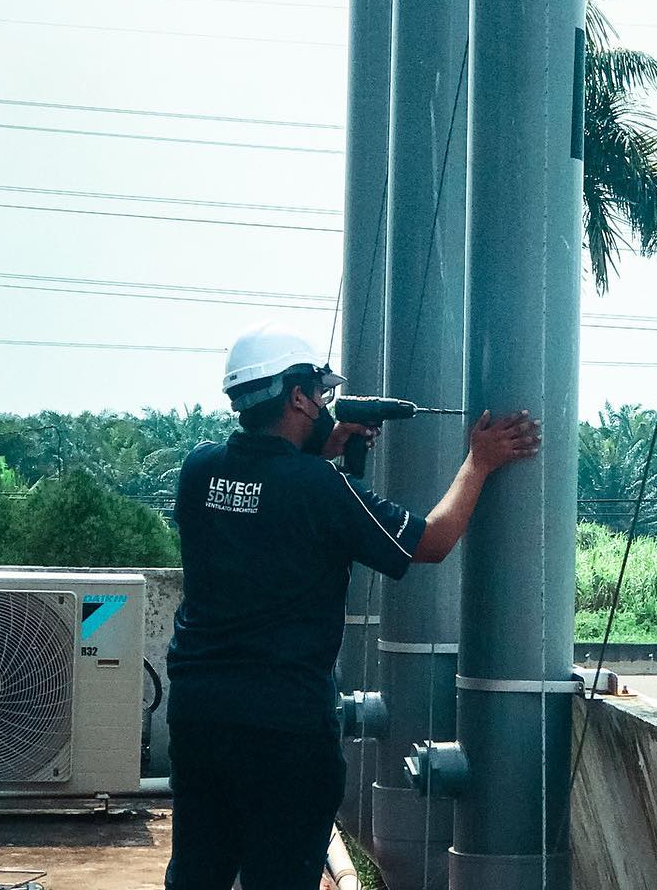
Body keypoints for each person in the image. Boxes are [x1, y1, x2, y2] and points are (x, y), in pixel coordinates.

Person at [163, 321, 539, 890]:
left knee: (198, 871)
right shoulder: (322, 488)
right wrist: (479, 461)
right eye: (319, 394)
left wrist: (321, 444)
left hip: (200, 713)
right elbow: (431, 541)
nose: (325, 404)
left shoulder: (199, 469)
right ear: (296, 397)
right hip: (283, 725)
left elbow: (261, 486)